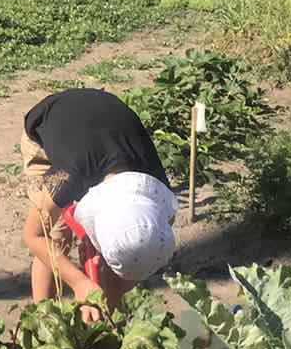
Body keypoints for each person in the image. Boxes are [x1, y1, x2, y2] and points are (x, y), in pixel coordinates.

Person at [19, 88, 179, 314]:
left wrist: (113, 288)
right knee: (56, 235)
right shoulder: (66, 176)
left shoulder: (155, 187)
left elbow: (148, 238)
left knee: (130, 245)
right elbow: (33, 236)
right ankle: (44, 318)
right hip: (48, 126)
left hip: (100, 126)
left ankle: (108, 312)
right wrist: (80, 283)